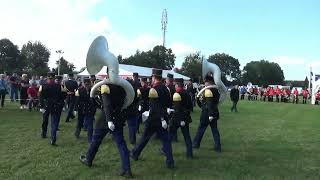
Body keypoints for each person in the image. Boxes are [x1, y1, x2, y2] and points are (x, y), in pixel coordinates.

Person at [79, 81, 133, 178]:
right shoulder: (122, 86)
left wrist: (109, 120)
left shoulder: (105, 86)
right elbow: (124, 102)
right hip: (118, 117)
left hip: (106, 119)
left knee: (96, 140)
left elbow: (107, 104)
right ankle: (127, 169)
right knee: (121, 144)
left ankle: (88, 159)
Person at [131, 69, 174, 169]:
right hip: (162, 119)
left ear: (154, 77)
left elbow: (155, 107)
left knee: (145, 138)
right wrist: (164, 118)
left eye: (152, 78)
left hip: (154, 119)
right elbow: (168, 104)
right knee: (166, 141)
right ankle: (170, 162)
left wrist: (162, 118)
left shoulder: (153, 89)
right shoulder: (166, 89)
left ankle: (135, 154)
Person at [193, 74, 221, 152]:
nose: (204, 83)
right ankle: (218, 146)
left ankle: (196, 144)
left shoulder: (208, 90)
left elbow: (209, 103)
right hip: (214, 112)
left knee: (201, 129)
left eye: (206, 82)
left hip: (207, 113)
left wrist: (210, 114)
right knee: (215, 130)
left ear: (209, 82)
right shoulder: (216, 90)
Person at [39, 72, 66, 145]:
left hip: (47, 105)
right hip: (56, 106)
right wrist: (61, 105)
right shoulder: (60, 86)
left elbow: (41, 97)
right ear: (54, 78)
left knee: (45, 120)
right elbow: (63, 96)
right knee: (54, 123)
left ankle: (44, 133)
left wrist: (41, 106)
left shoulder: (43, 86)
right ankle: (53, 139)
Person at [169, 78, 193, 158]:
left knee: (169, 135)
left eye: (175, 84)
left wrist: (180, 118)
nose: (174, 86)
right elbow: (190, 107)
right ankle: (190, 154)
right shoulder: (187, 93)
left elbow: (178, 108)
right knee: (187, 137)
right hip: (185, 117)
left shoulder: (177, 94)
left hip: (178, 118)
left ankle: (165, 150)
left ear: (177, 85)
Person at [74, 78, 96, 143]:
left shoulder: (79, 90)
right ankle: (90, 138)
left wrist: (75, 109)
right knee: (90, 124)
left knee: (80, 122)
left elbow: (77, 100)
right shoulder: (93, 89)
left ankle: (77, 134)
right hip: (90, 108)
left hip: (81, 108)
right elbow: (95, 100)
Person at [125, 73, 141, 145]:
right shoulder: (135, 89)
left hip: (127, 109)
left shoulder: (125, 91)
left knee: (129, 125)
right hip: (134, 108)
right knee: (132, 126)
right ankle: (133, 140)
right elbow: (138, 98)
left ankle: (131, 140)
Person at [165, 73, 177, 142]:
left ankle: (170, 137)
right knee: (173, 122)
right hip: (174, 105)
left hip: (169, 106)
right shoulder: (174, 87)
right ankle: (174, 137)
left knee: (170, 122)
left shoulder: (168, 88)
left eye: (166, 79)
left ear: (168, 80)